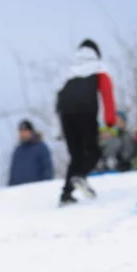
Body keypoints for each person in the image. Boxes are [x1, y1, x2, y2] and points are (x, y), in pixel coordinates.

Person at [55, 39, 116, 206]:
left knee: (76, 155)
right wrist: (110, 121)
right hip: (86, 112)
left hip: (65, 114)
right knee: (93, 151)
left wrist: (57, 129)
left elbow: (58, 96)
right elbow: (107, 93)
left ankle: (66, 194)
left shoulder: (68, 71)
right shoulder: (99, 68)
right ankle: (80, 176)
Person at [8, 119, 53, 186]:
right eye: (21, 132)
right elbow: (13, 172)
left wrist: (46, 186)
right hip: (18, 190)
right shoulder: (18, 150)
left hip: (35, 189)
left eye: (25, 131)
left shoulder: (41, 147)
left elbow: (47, 169)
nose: (23, 134)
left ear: (31, 132)